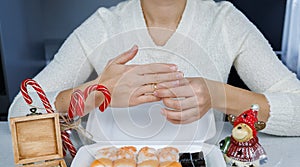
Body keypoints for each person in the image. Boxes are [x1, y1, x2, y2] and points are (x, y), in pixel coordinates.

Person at [9, 0, 300, 137]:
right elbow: (19, 111)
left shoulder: (225, 22)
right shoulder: (102, 26)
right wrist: (95, 94)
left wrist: (219, 96)